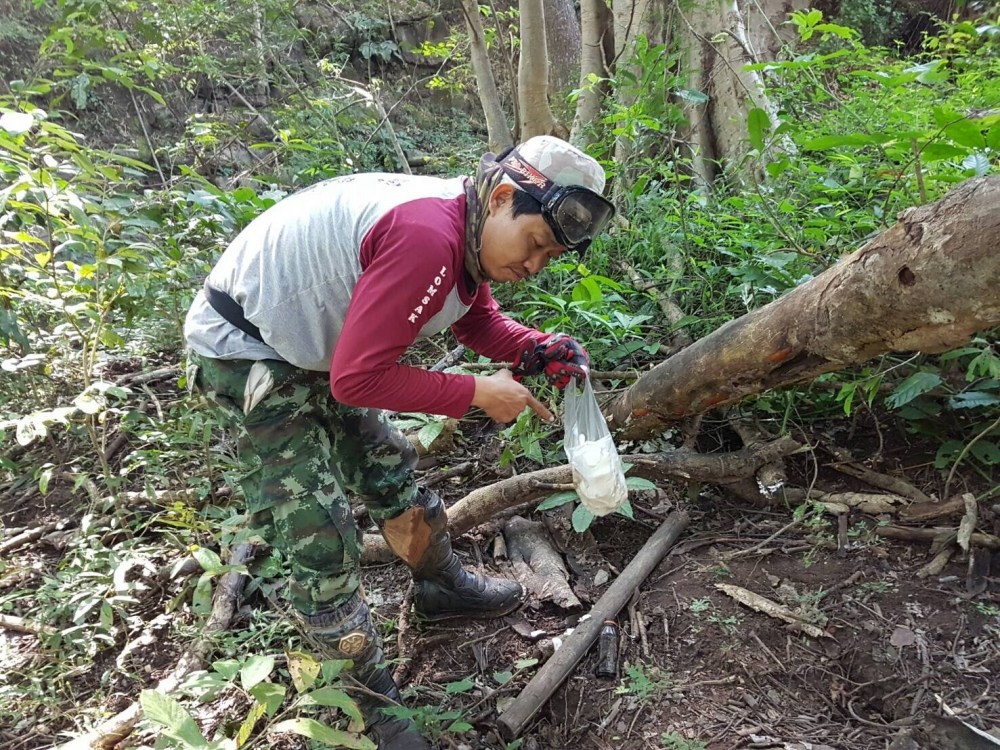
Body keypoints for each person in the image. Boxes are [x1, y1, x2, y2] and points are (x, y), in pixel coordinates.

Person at [183, 135, 615, 748]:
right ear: (500, 198)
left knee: (388, 470)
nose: (535, 265)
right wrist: (474, 393)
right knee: (319, 532)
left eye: (550, 256)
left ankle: (440, 586)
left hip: (321, 346)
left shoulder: (463, 233)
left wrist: (532, 348)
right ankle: (372, 703)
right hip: (249, 350)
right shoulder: (426, 236)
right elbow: (357, 379)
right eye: (535, 244)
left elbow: (473, 317)